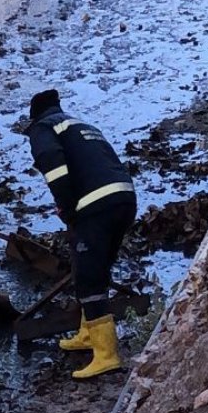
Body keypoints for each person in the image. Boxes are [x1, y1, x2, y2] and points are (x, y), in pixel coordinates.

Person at [25, 89, 136, 379]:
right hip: (124, 199)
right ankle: (88, 333)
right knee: (95, 270)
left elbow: (54, 167)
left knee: (88, 278)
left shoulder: (43, 128)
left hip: (96, 207)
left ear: (34, 116)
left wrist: (66, 208)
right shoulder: (79, 125)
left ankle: (106, 355)